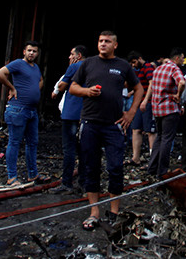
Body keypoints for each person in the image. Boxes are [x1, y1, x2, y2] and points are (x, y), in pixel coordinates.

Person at [70, 31, 144, 230]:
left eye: (107, 41)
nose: (103, 44)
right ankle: (94, 212)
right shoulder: (87, 64)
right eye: (100, 41)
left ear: (115, 45)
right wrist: (87, 91)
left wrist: (131, 112)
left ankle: (114, 213)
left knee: (115, 168)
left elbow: (139, 89)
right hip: (90, 123)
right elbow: (72, 88)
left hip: (114, 125)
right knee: (91, 167)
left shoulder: (123, 66)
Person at [0, 41, 45, 186]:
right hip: (18, 109)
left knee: (32, 143)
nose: (31, 53)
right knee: (14, 143)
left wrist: (35, 89)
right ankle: (11, 177)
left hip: (31, 111)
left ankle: (33, 175)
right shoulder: (18, 64)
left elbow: (41, 80)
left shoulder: (35, 68)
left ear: (37, 54)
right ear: (24, 52)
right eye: (29, 50)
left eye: (34, 51)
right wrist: (11, 88)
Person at [52, 45, 87, 194]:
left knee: (69, 150)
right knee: (84, 149)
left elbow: (62, 86)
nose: (69, 57)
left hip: (71, 113)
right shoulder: (92, 67)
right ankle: (83, 182)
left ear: (78, 55)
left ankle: (67, 182)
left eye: (71, 54)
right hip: (85, 114)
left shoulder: (74, 67)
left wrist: (60, 84)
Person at [146, 48, 186, 176]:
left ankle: (151, 168)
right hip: (169, 109)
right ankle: (162, 172)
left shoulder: (158, 69)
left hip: (157, 109)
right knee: (167, 139)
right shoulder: (174, 69)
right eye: (182, 58)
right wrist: (178, 95)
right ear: (176, 58)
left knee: (159, 138)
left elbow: (152, 87)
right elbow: (182, 82)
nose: (183, 60)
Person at [128, 51, 156, 165]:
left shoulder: (148, 67)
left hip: (147, 102)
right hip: (140, 103)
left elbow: (152, 83)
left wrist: (145, 100)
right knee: (136, 129)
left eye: (134, 62)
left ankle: (153, 160)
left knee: (150, 131)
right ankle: (136, 158)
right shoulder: (139, 71)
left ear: (139, 58)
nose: (133, 65)